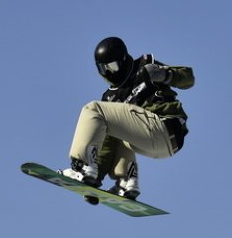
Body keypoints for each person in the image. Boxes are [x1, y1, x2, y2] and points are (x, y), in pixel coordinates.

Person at [61, 36, 195, 200]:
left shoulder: (144, 66)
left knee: (92, 110)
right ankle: (126, 181)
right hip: (163, 144)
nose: (110, 72)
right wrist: (93, 182)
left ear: (123, 60)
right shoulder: (110, 99)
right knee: (109, 128)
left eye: (112, 66)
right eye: (104, 69)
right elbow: (107, 147)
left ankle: (82, 166)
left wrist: (165, 74)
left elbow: (188, 79)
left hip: (165, 125)